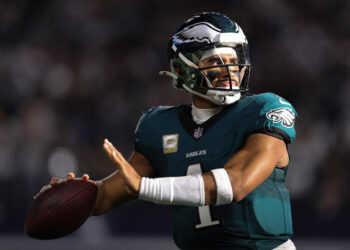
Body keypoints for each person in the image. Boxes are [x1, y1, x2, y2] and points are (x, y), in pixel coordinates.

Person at [40, 12, 298, 250]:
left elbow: (236, 183)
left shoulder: (264, 109)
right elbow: (110, 194)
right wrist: (71, 195)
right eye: (216, 62)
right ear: (181, 69)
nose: (229, 71)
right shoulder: (158, 126)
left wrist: (146, 187)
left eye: (234, 61)